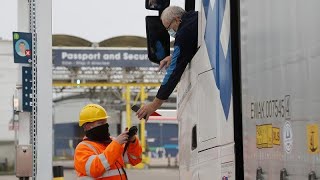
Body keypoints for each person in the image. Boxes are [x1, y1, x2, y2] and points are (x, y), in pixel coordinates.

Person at [137, 6, 198, 120]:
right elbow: (192, 45)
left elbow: (173, 73)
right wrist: (174, 56)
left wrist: (154, 105)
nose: (170, 32)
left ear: (177, 19)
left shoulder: (183, 33)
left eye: (169, 28)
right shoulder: (195, 18)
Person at [74, 104, 142, 180]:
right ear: (87, 126)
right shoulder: (82, 148)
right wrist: (116, 144)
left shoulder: (112, 142)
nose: (105, 126)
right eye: (100, 123)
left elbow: (135, 160)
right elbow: (94, 169)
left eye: (105, 122)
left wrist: (132, 141)